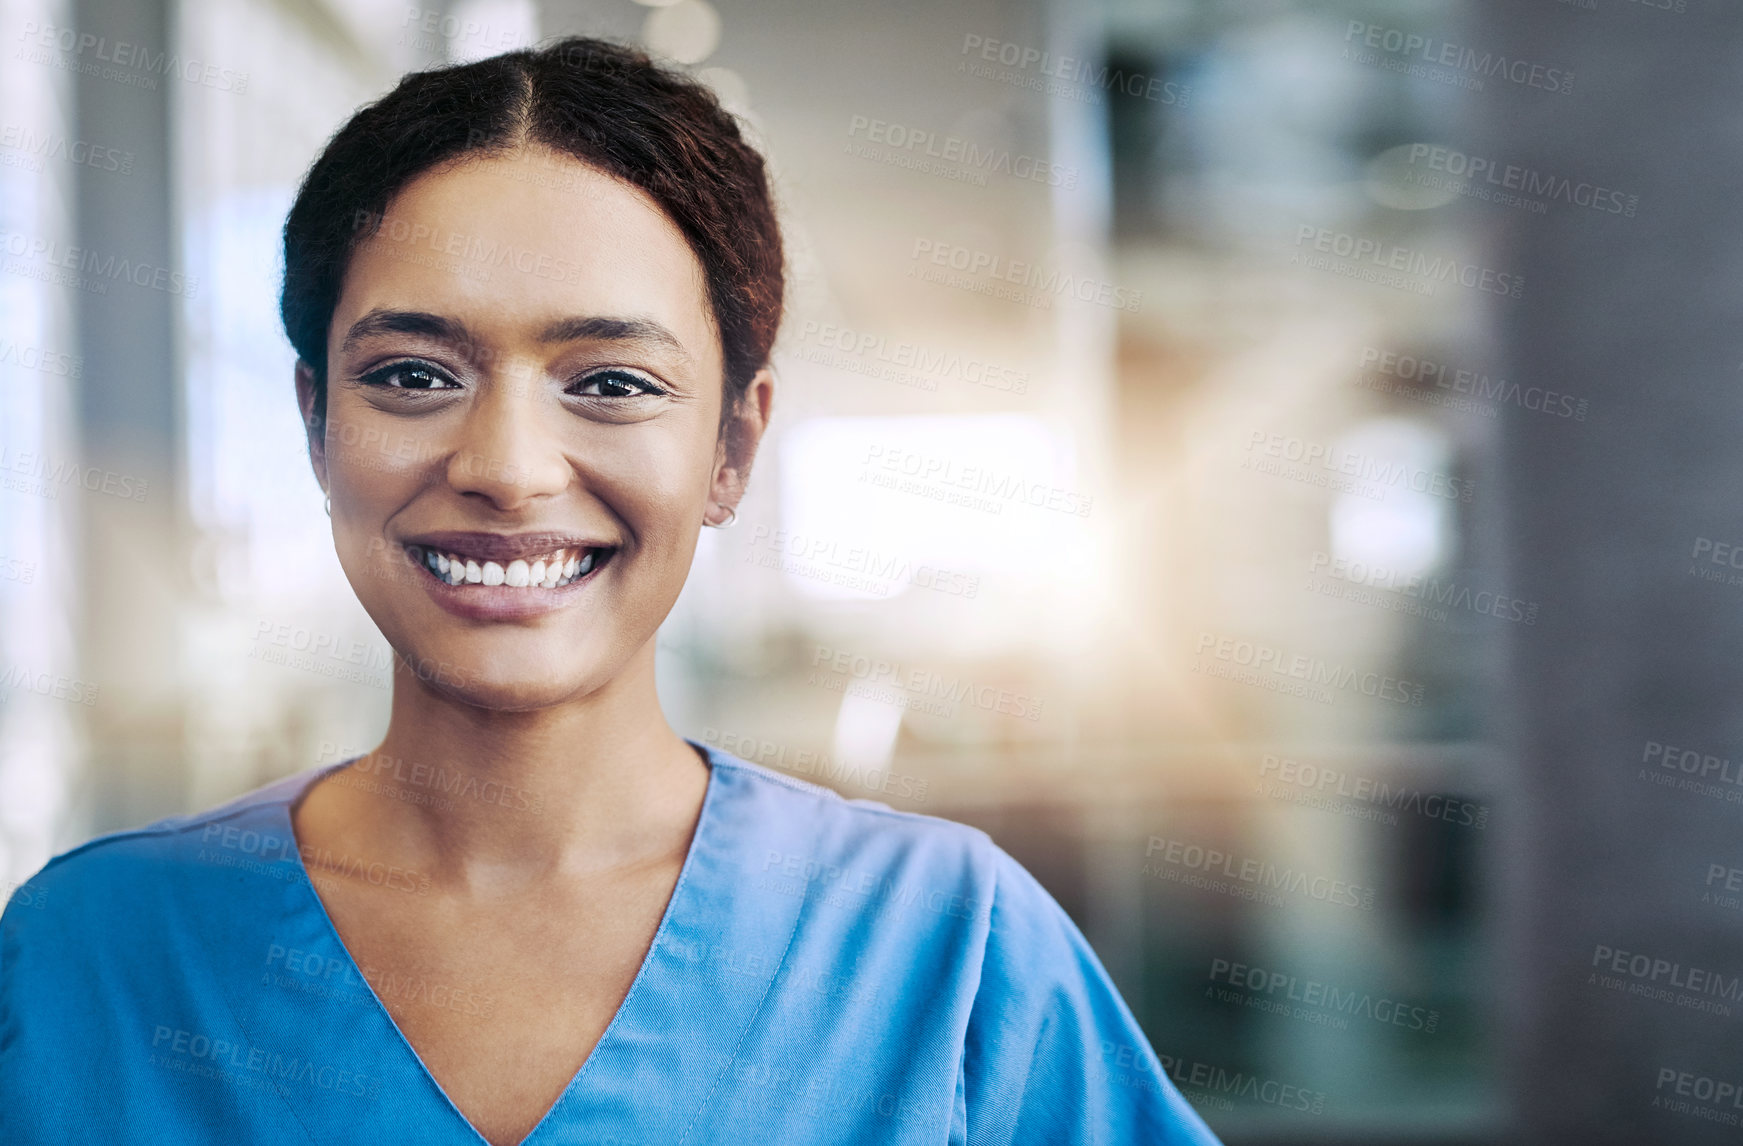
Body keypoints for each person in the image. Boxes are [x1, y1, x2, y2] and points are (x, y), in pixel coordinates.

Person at [0, 36, 1222, 1146]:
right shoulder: (89, 958)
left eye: (614, 383)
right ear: (318, 424)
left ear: (732, 450)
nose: (506, 470)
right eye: (415, 373)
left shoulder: (945, 953)